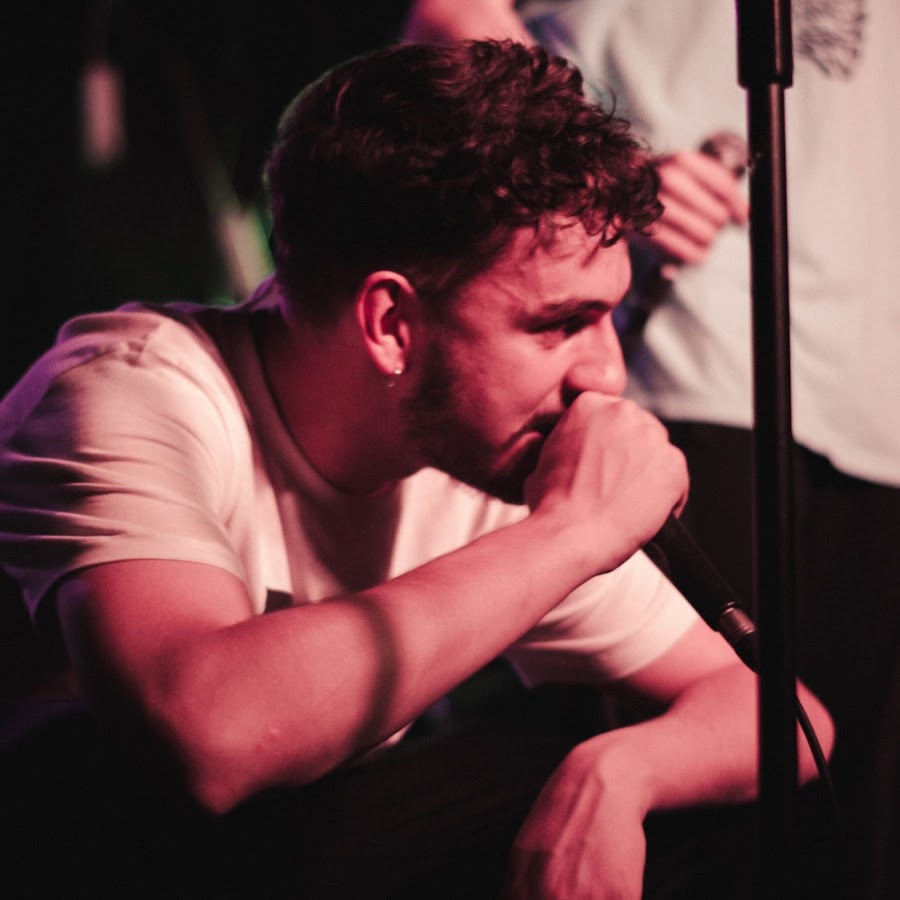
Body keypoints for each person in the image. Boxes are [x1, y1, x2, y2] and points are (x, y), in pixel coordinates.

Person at [0, 40, 831, 898]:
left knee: (665, 798)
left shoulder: (481, 450)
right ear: (391, 323)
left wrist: (622, 773)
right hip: (73, 856)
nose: (607, 375)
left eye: (607, 320)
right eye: (560, 324)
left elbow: (788, 719)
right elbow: (210, 738)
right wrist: (575, 532)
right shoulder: (126, 393)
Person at [403, 2, 900, 897]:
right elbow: (447, 14)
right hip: (693, 359)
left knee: (848, 819)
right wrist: (602, 182)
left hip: (878, 402)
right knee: (700, 837)